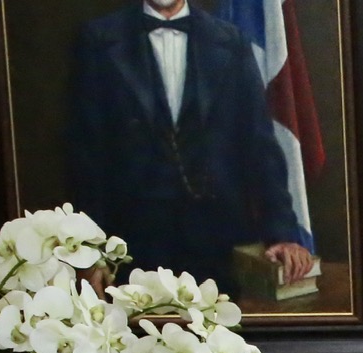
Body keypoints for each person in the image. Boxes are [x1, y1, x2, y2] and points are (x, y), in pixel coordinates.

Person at [64, 0, 313, 291]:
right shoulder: (98, 40)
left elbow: (260, 147)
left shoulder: (231, 41)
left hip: (219, 248)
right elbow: (85, 157)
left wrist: (282, 234)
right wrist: (90, 250)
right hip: (131, 247)